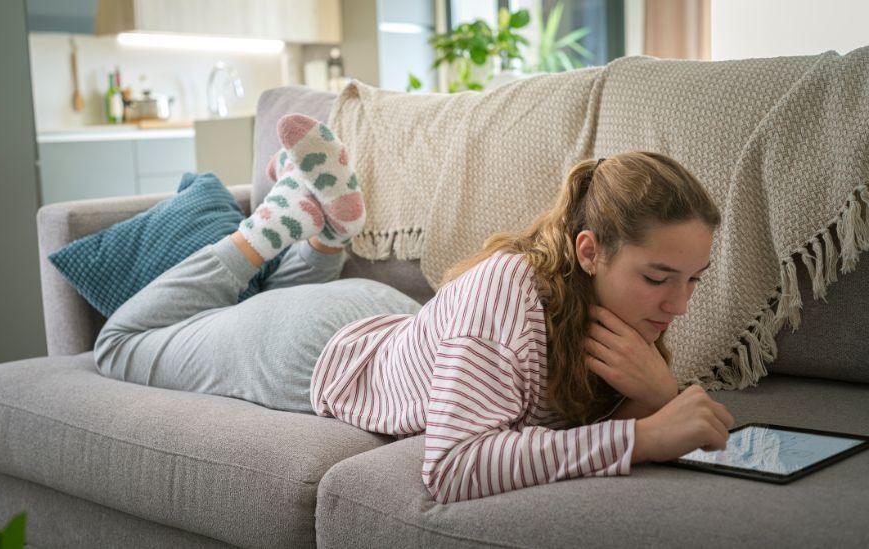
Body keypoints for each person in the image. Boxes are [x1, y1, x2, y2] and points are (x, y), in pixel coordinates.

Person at [95, 114, 736, 505]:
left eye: (693, 281)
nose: (678, 305)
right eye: (659, 278)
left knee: (243, 308)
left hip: (388, 318)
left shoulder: (616, 313)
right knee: (121, 341)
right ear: (589, 251)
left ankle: (322, 235)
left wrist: (659, 391)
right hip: (312, 351)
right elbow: (452, 466)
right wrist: (643, 435)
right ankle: (265, 230)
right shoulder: (511, 292)